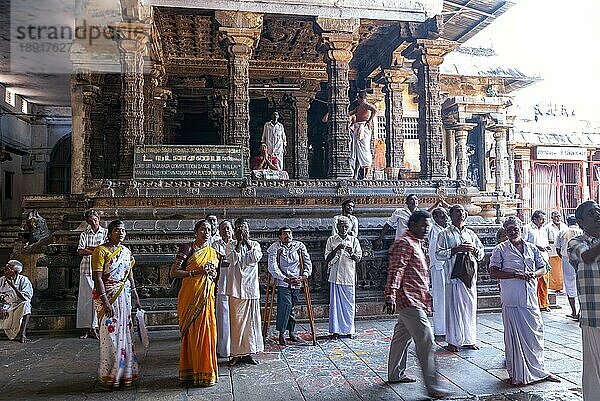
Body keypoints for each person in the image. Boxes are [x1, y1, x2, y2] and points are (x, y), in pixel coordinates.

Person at [384, 210, 453, 399]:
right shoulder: (405, 243)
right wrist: (390, 295)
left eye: (428, 226)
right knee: (426, 341)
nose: (426, 229)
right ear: (412, 225)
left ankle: (395, 374)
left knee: (401, 338)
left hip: (415, 298)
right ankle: (433, 387)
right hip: (408, 300)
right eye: (422, 225)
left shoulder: (416, 243)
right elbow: (396, 270)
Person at [489, 217, 561, 385]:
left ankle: (539, 370)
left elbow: (543, 267)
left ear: (520, 228)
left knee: (535, 332)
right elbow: (493, 271)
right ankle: (519, 374)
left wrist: (533, 274)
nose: (512, 232)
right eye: (509, 230)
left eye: (515, 228)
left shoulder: (531, 247)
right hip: (512, 297)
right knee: (515, 336)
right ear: (505, 231)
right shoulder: (500, 249)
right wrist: (515, 274)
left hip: (530, 295)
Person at [91, 220, 141, 389]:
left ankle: (125, 373)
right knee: (109, 335)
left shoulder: (126, 251)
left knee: (125, 333)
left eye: (123, 231)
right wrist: (105, 301)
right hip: (108, 295)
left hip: (124, 295)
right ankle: (109, 375)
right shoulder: (100, 251)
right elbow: (97, 277)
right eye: (117, 230)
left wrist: (135, 293)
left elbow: (130, 274)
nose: (121, 233)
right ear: (110, 232)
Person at [170, 219, 219, 387]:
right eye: (203, 230)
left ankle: (205, 371)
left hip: (206, 297)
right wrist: (197, 272)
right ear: (196, 232)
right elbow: (174, 272)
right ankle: (191, 370)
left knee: (207, 332)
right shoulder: (187, 248)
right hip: (190, 296)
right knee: (192, 333)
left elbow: (214, 274)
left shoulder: (213, 251)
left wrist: (212, 273)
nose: (206, 233)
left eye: (209, 230)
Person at [435, 204, 484, 352]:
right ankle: (453, 341)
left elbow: (481, 253)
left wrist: (474, 250)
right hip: (453, 276)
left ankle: (469, 339)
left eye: (462, 211)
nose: (460, 214)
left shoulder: (471, 234)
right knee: (453, 308)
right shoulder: (445, 234)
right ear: (451, 215)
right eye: (457, 212)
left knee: (469, 307)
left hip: (469, 276)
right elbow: (438, 254)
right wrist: (456, 249)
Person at [568, 200, 600, 400]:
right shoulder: (576, 243)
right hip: (593, 315)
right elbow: (587, 257)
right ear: (580, 222)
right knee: (594, 370)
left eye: (599, 211)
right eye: (592, 213)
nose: (598, 215)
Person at [225, 218, 264, 366]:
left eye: (244, 228)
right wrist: (239, 243)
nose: (242, 231)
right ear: (235, 231)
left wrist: (246, 242)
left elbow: (255, 258)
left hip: (250, 289)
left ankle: (249, 353)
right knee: (236, 323)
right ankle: (236, 354)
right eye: (239, 228)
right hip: (235, 289)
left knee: (251, 324)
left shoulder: (255, 245)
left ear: (248, 230)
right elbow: (232, 260)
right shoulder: (230, 245)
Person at [266, 227, 312, 345]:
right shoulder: (275, 247)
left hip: (297, 281)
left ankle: (291, 332)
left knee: (292, 306)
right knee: (285, 305)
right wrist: (285, 279)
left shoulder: (299, 246)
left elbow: (307, 262)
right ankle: (281, 333)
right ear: (280, 236)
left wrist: (304, 276)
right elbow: (272, 267)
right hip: (283, 282)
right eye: (284, 234)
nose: (288, 236)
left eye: (289, 233)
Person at [325, 216, 362, 338]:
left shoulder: (354, 240)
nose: (344, 228)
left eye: (346, 226)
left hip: (349, 276)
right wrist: (337, 249)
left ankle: (349, 330)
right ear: (337, 226)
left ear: (349, 227)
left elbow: (358, 259)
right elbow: (327, 258)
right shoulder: (331, 240)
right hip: (335, 276)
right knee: (335, 305)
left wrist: (351, 253)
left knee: (349, 304)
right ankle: (335, 330)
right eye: (341, 226)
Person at [76, 210, 107, 340]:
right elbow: (80, 251)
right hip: (86, 269)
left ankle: (96, 326)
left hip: (100, 270)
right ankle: (86, 327)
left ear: (99, 219)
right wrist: (96, 250)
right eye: (90, 220)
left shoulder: (105, 233)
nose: (93, 222)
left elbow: (105, 250)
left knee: (98, 298)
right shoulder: (84, 234)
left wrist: (91, 249)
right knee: (85, 300)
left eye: (95, 219)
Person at [212, 220, 234, 357]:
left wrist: (227, 260)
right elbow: (218, 262)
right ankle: (223, 349)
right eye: (223, 229)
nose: (226, 231)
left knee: (235, 318)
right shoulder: (216, 245)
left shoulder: (236, 244)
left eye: (228, 228)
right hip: (222, 284)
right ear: (219, 232)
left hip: (236, 285)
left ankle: (236, 347)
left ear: (232, 230)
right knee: (223, 318)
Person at [522, 210, 552, 311]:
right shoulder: (527, 228)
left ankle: (543, 303)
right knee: (534, 281)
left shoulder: (543, 229)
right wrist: (536, 247)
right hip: (532, 258)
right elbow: (524, 243)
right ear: (534, 219)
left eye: (544, 219)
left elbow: (545, 242)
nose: (543, 221)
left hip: (544, 257)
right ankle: (534, 303)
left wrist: (546, 247)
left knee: (544, 282)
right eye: (541, 219)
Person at [556, 214, 582, 320]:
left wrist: (563, 256)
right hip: (580, 258)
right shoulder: (581, 232)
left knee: (569, 284)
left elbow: (558, 248)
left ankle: (573, 311)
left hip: (566, 259)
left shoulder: (562, 232)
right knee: (580, 283)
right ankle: (581, 311)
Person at [428, 207, 449, 340]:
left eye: (446, 215)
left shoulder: (444, 230)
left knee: (446, 298)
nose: (445, 218)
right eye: (442, 216)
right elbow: (434, 250)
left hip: (446, 267)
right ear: (435, 218)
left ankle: (446, 327)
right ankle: (440, 329)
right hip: (438, 267)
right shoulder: (434, 230)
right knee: (439, 298)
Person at [0, 260, 33, 342]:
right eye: (6, 269)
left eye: (9, 269)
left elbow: (25, 298)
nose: (5, 271)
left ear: (16, 271)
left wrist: (13, 286)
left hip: (18, 305)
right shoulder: (1, 280)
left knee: (26, 304)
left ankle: (23, 334)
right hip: (5, 305)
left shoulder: (24, 280)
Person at [348, 91, 377, 180]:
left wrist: (369, 121)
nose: (358, 100)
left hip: (364, 127)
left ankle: (366, 175)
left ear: (361, 98)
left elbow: (375, 110)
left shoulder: (366, 105)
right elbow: (349, 114)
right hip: (357, 127)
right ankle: (355, 174)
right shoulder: (358, 107)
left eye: (358, 99)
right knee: (356, 151)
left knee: (365, 149)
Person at [545, 211, 567, 292]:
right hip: (552, 251)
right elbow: (545, 239)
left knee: (561, 271)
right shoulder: (547, 227)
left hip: (562, 251)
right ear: (552, 217)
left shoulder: (564, 226)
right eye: (556, 216)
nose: (557, 218)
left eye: (559, 216)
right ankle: (553, 288)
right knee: (553, 271)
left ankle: (560, 288)